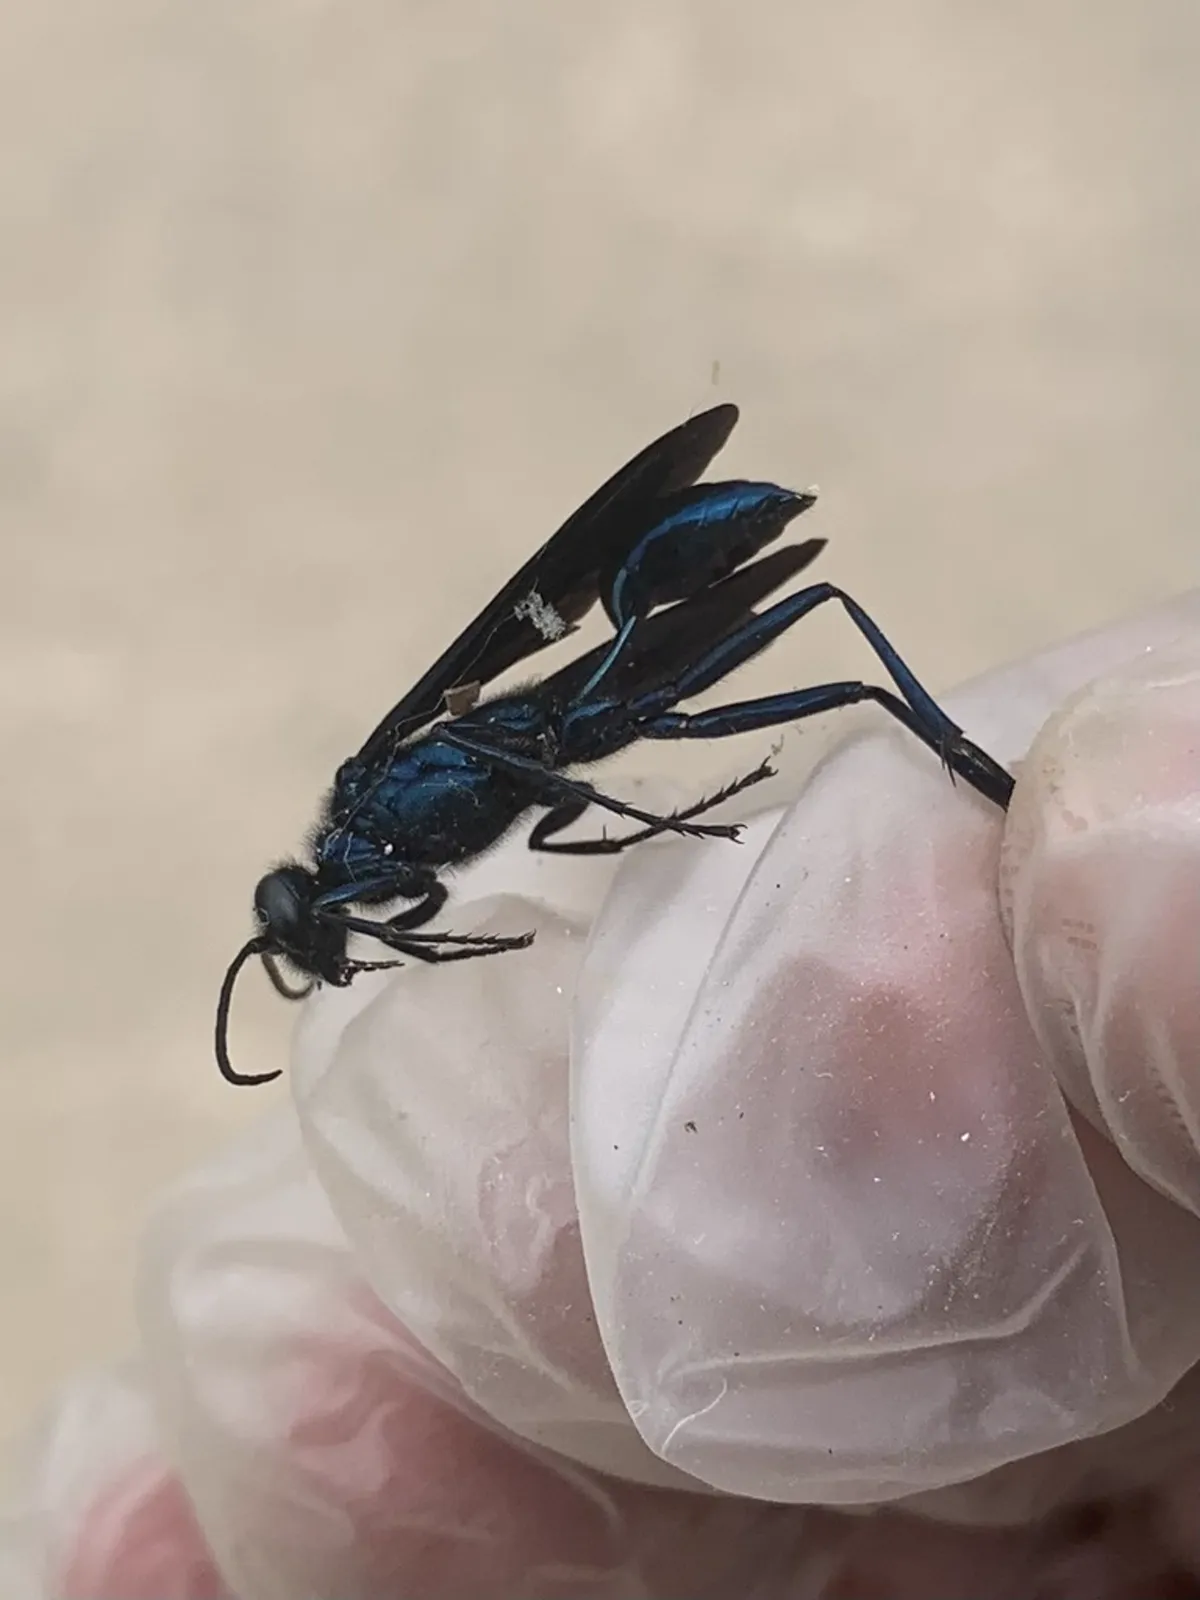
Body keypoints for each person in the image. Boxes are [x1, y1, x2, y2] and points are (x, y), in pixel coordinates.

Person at [6, 592, 1200, 1600]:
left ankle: (1002, 785)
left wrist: (641, 825)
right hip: (596, 707)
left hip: (596, 689)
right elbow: (500, 846)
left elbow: (520, 792)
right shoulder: (379, 859)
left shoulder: (376, 811)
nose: (319, 944)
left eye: (305, 933)